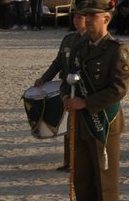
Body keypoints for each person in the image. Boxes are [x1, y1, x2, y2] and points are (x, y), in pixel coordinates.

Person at [62, 0, 129, 201]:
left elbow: (119, 88)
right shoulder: (79, 46)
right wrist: (66, 98)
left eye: (92, 16)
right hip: (80, 123)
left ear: (106, 19)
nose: (87, 20)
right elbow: (69, 78)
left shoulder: (116, 49)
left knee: (104, 181)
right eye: (85, 16)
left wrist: (86, 103)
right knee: (83, 180)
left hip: (105, 122)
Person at [34, 15, 89, 172]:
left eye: (80, 17)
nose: (76, 20)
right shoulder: (68, 39)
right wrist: (44, 78)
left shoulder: (90, 40)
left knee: (81, 128)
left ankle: (79, 162)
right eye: (75, 18)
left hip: (82, 90)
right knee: (68, 126)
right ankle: (69, 161)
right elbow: (58, 62)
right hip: (67, 88)